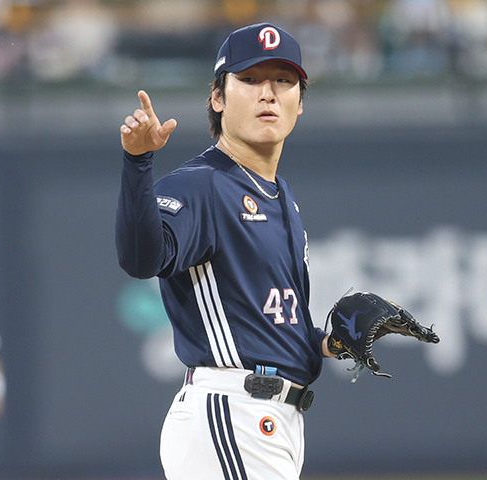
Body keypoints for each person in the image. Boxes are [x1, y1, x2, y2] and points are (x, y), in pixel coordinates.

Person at [116, 23, 336, 480]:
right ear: (217, 97)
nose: (268, 93)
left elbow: (264, 322)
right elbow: (142, 259)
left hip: (269, 421)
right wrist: (138, 163)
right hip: (231, 411)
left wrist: (328, 342)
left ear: (300, 102)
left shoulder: (280, 194)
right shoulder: (202, 184)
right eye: (250, 79)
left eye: (283, 80)